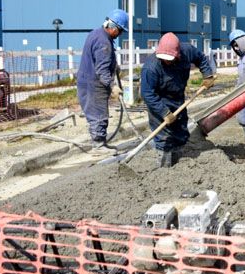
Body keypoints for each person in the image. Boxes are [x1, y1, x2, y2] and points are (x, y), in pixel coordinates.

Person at [140, 32, 216, 167]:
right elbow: (147, 94)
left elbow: (201, 59)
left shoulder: (187, 51)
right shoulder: (151, 68)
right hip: (159, 101)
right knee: (164, 138)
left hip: (178, 98)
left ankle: (181, 166)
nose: (167, 61)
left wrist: (207, 75)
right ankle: (164, 167)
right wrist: (164, 112)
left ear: (177, 53)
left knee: (181, 131)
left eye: (170, 58)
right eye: (164, 58)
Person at [76, 9, 128, 155]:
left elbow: (101, 61)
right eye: (120, 30)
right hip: (94, 84)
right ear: (113, 27)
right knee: (98, 115)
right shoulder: (104, 42)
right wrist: (113, 87)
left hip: (88, 81)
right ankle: (98, 146)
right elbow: (102, 69)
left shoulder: (96, 34)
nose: (121, 34)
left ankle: (101, 143)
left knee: (97, 113)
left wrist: (113, 64)